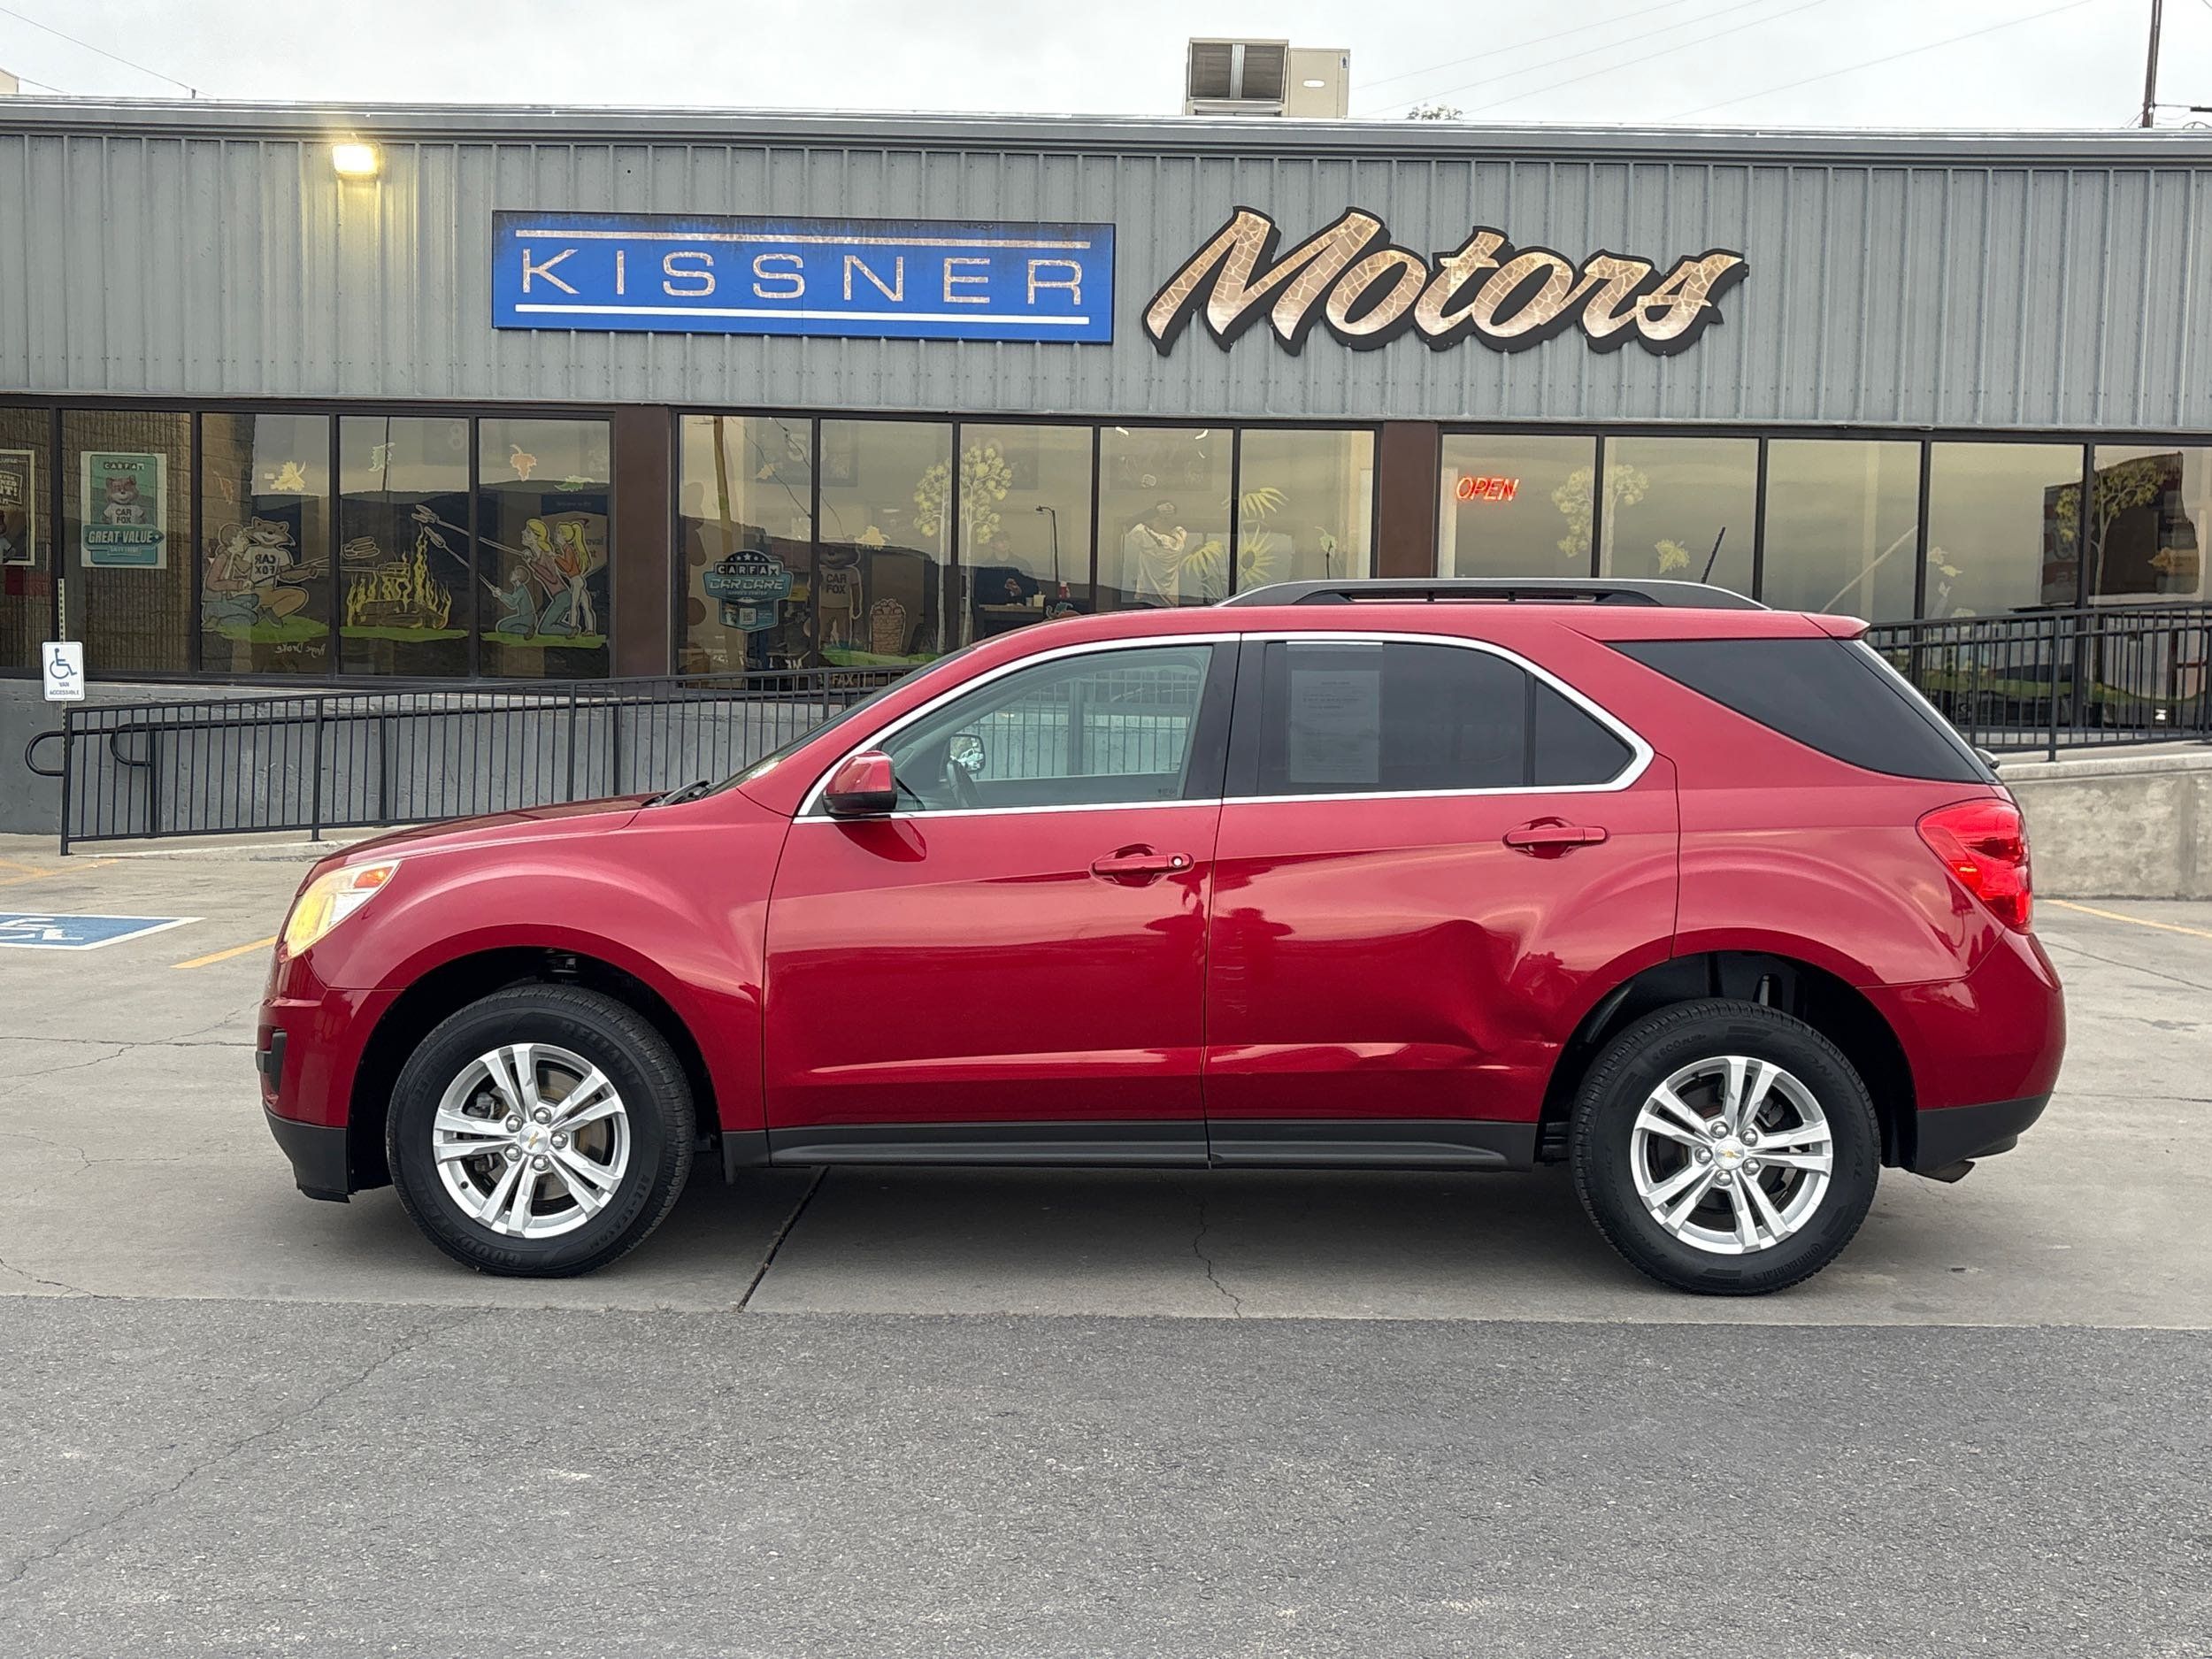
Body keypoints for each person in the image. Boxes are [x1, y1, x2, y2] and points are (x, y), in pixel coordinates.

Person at [1120, 500, 1189, 607]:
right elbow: (1180, 527)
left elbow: (1127, 525)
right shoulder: (1179, 542)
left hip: (1148, 599)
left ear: (1157, 520)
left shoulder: (1150, 540)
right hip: (1171, 602)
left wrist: (1154, 511)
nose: (1149, 523)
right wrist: (1170, 512)